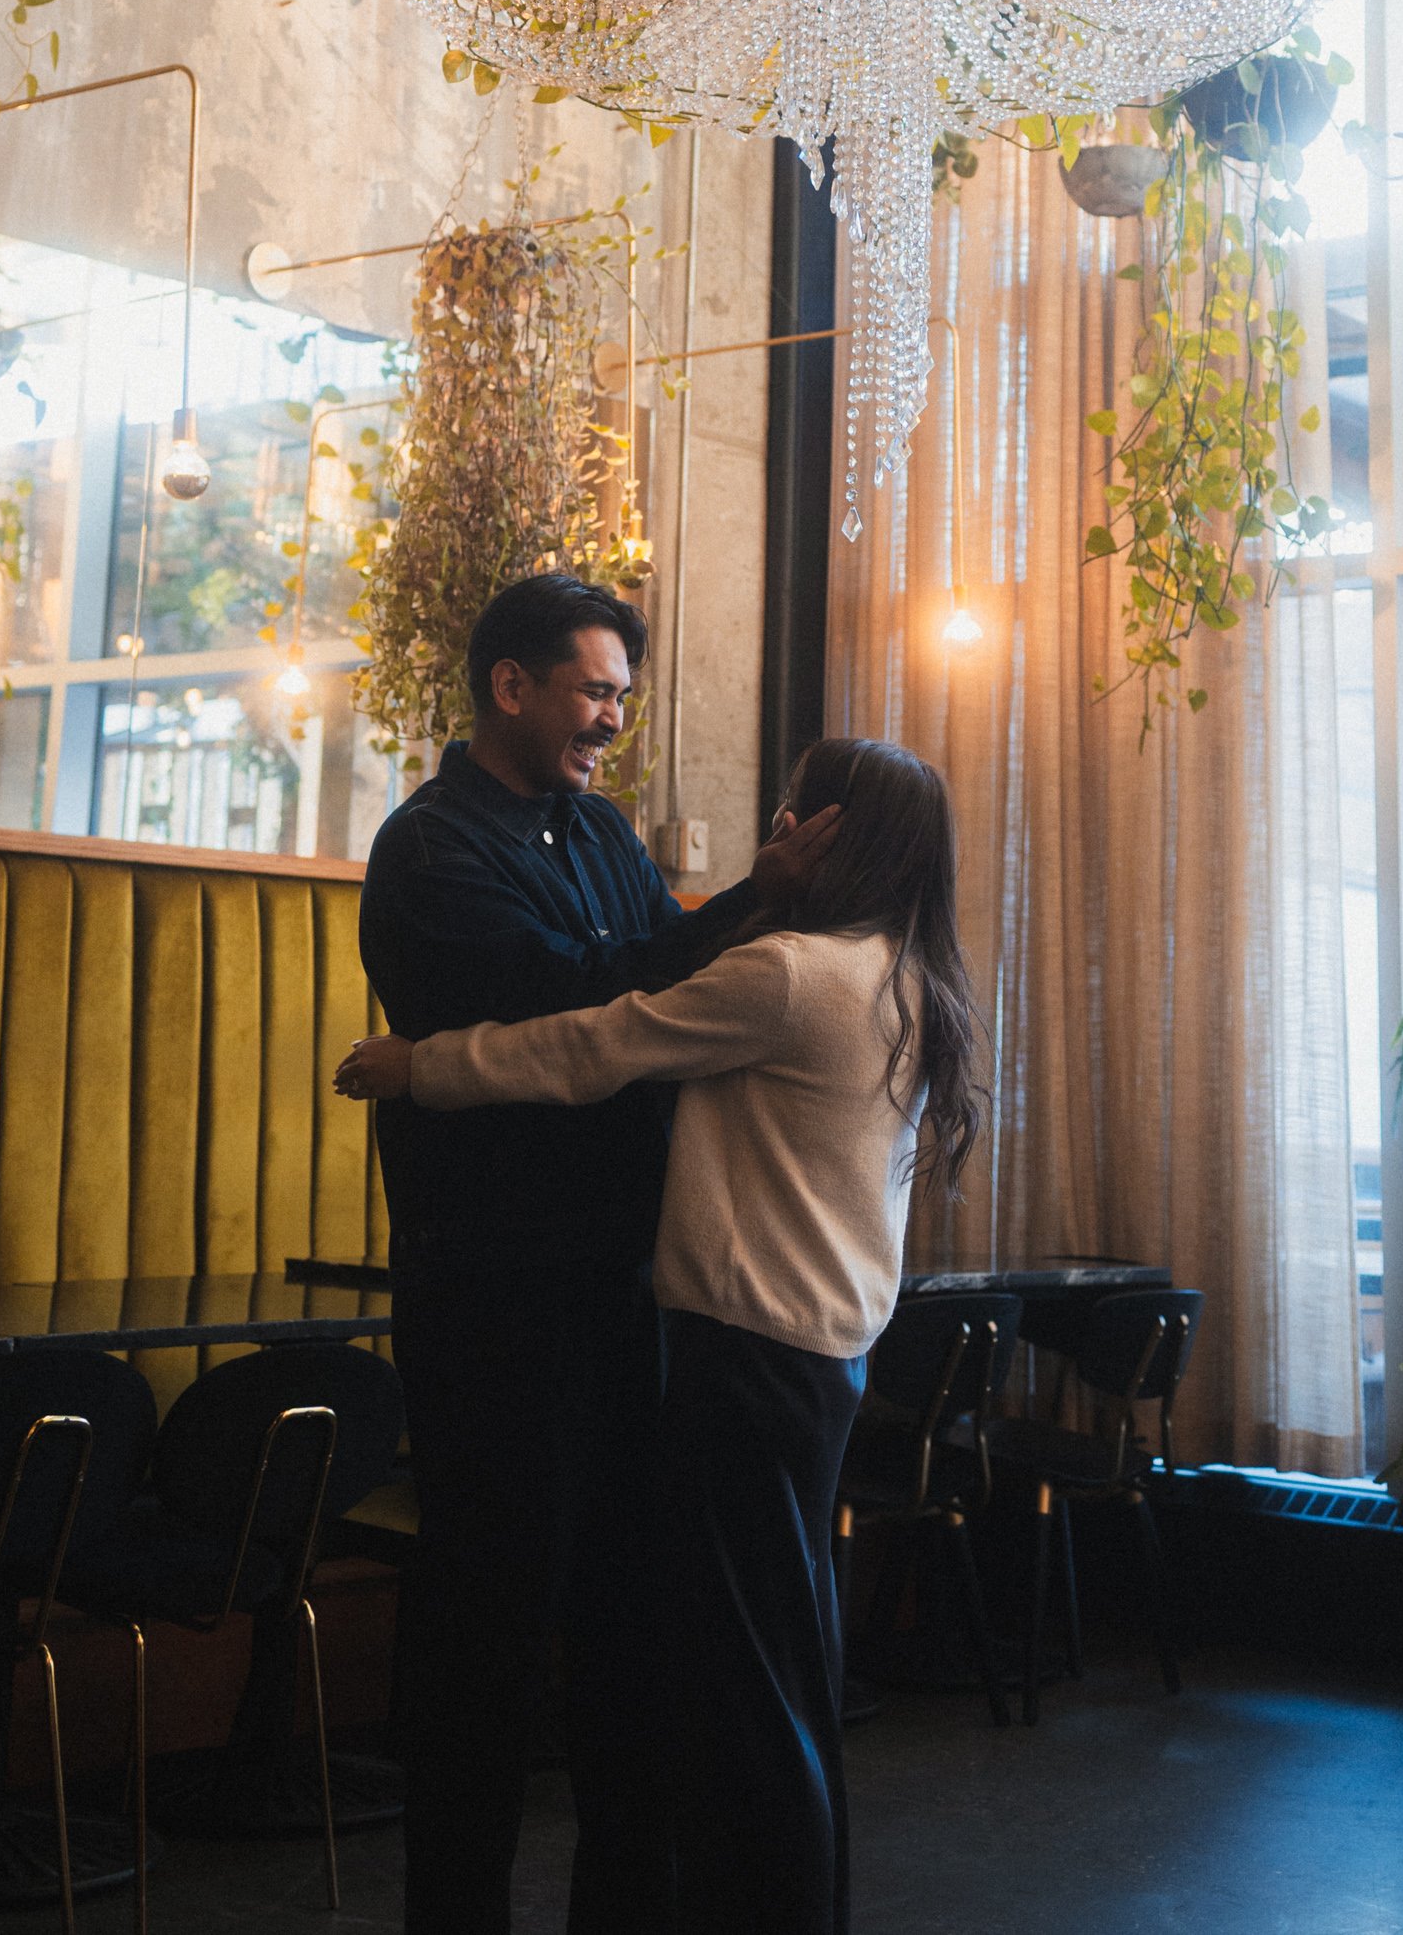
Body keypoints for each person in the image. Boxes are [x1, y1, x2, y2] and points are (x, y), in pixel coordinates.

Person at [338, 735, 988, 1935]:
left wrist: (417, 1065)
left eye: (795, 812)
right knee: (782, 1674)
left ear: (827, 833)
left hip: (744, 1356)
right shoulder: (908, 974)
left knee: (746, 1694)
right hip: (825, 1356)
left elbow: (593, 1043)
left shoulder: (791, 973)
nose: (777, 827)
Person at [351, 572, 840, 1935]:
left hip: (629, 1284)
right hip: (495, 1294)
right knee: (489, 1638)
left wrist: (723, 923)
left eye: (623, 695)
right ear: (510, 686)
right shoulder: (430, 849)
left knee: (631, 1634)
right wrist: (756, 895)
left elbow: (646, 984)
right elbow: (585, 1009)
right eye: (594, 692)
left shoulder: (605, 829)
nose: (612, 721)